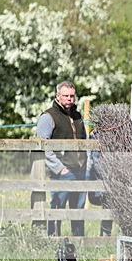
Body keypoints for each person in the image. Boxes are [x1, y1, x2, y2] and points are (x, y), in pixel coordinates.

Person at [36, 81, 87, 236]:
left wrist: (87, 165)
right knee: (57, 207)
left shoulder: (77, 116)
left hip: (80, 170)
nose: (69, 99)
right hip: (62, 171)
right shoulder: (48, 116)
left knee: (78, 209)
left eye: (72, 96)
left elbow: (84, 141)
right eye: (65, 96)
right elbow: (43, 145)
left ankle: (79, 242)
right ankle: (53, 239)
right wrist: (60, 169)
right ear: (58, 96)